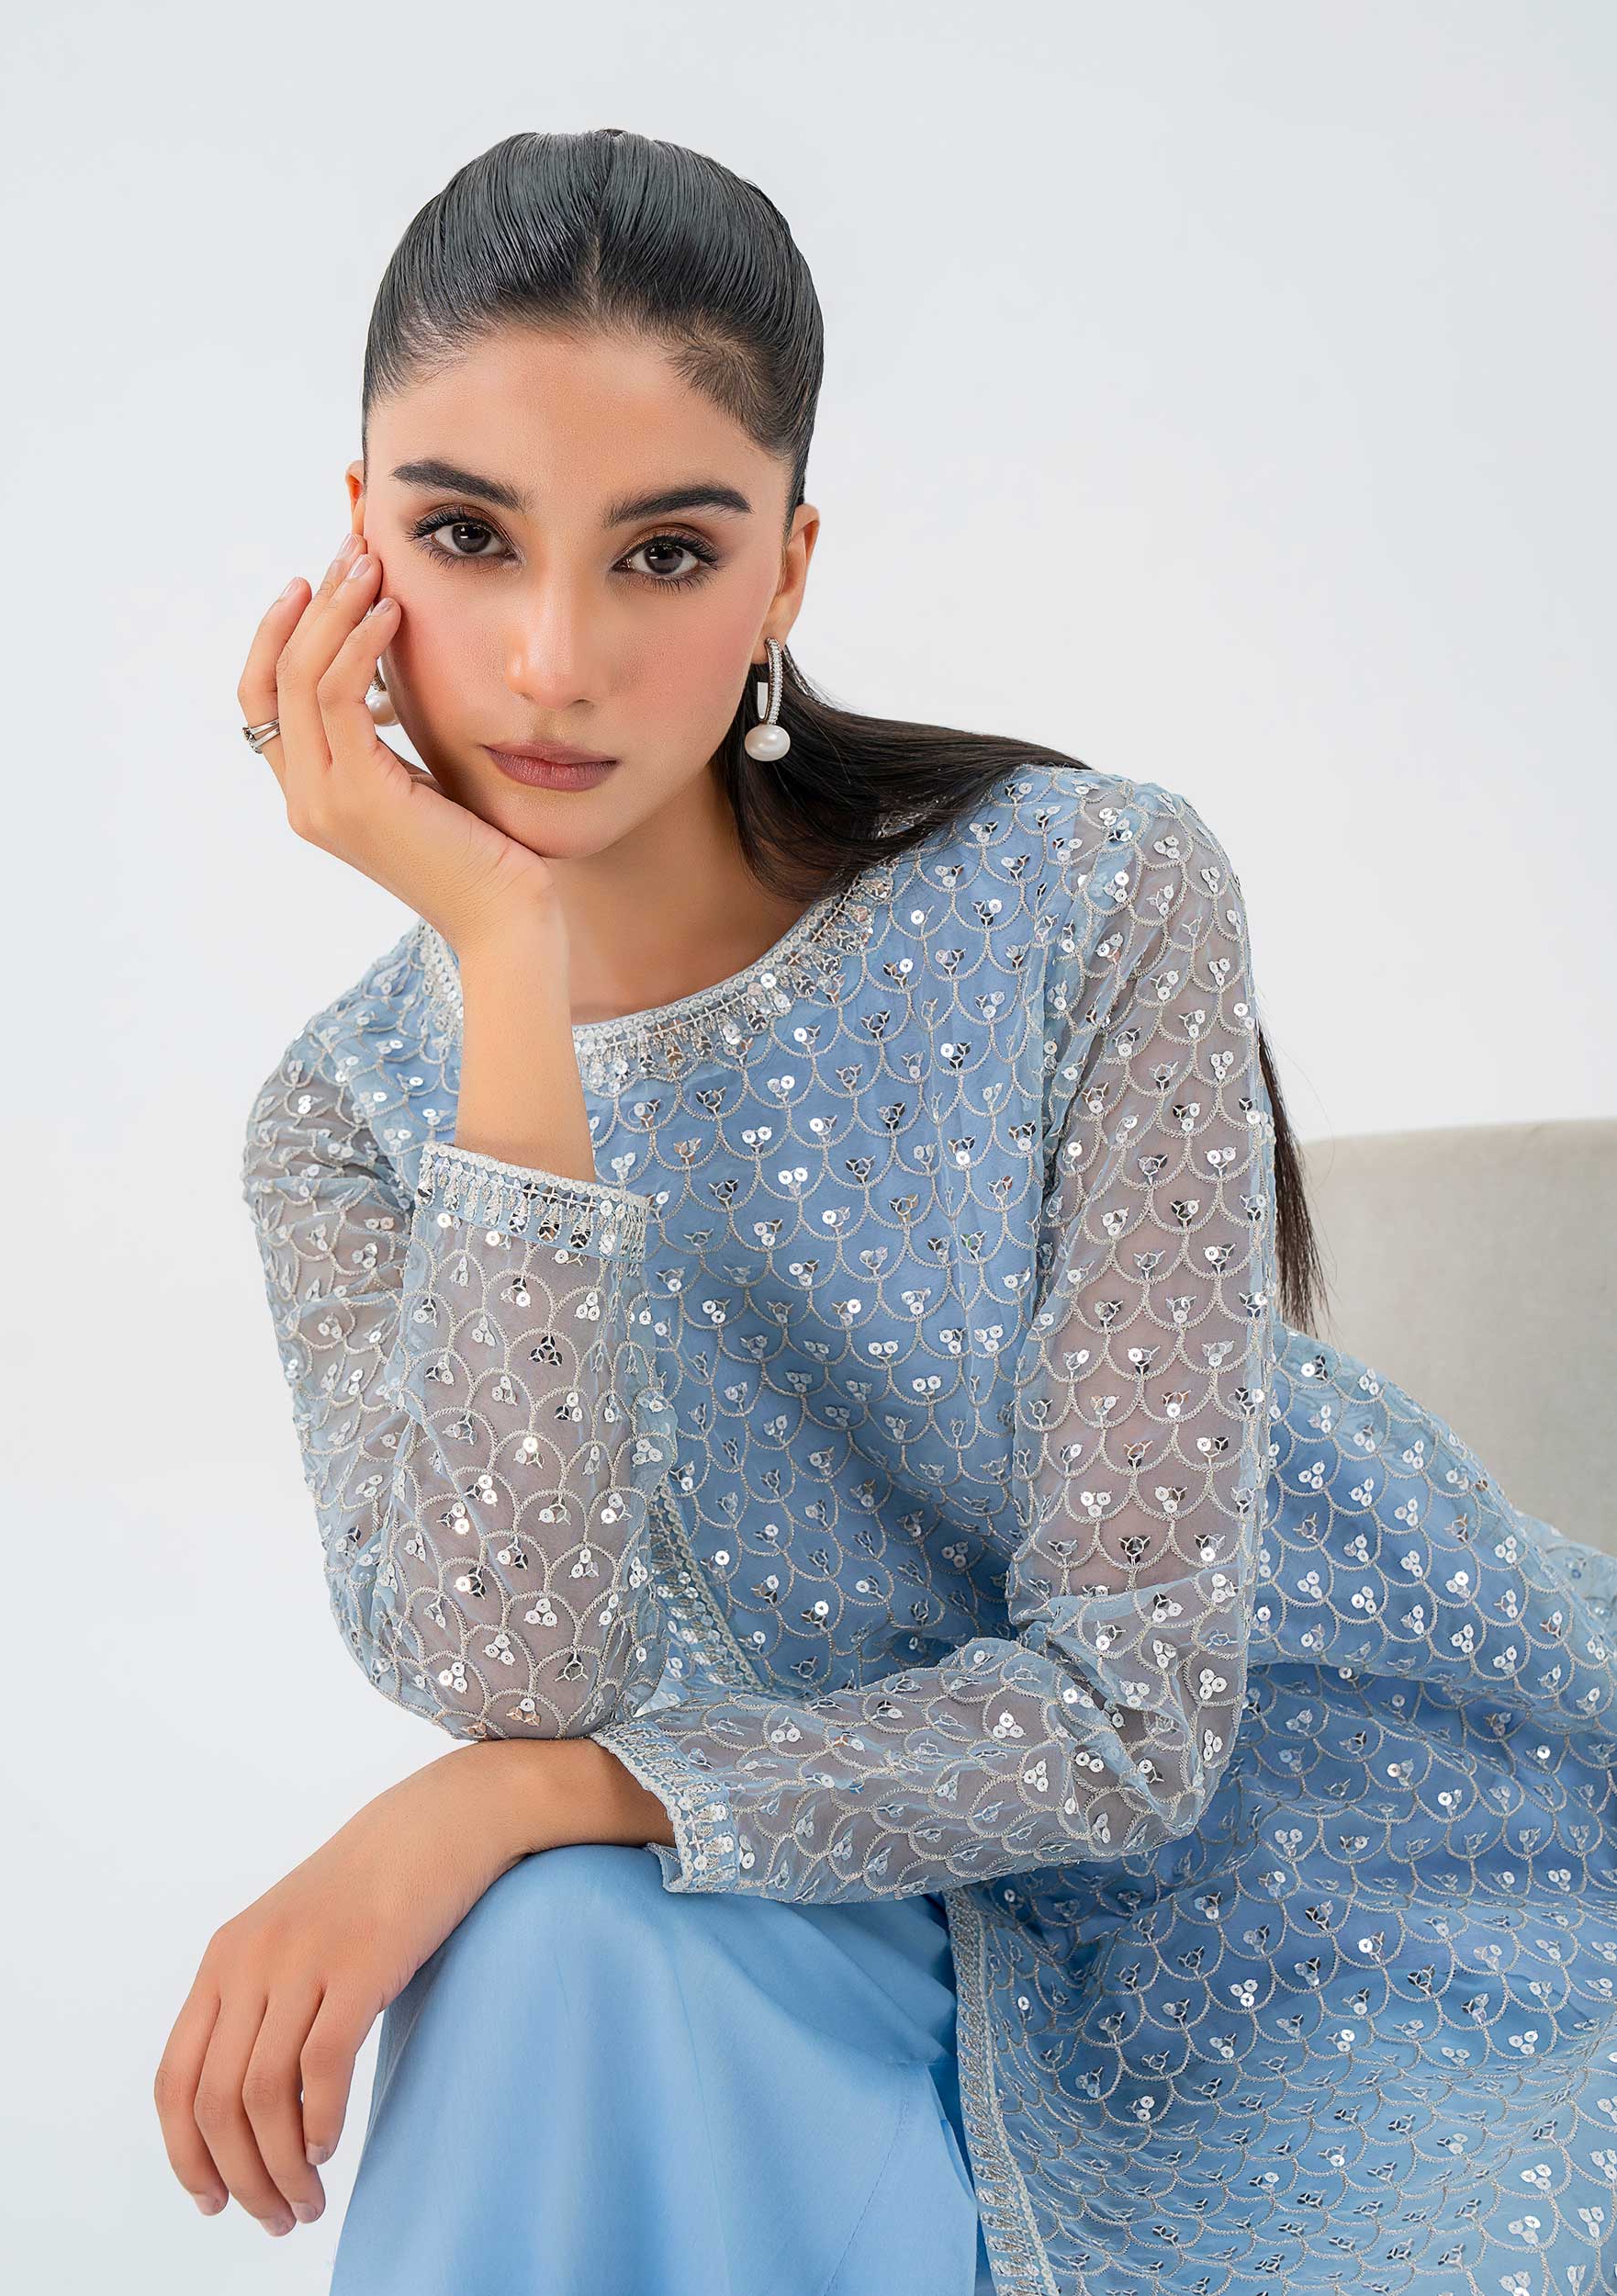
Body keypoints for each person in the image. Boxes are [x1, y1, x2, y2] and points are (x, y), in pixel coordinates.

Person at [153, 129, 1617, 2296]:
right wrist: (505, 963)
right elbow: (519, 1672)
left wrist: (508, 1797)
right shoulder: (346, 1120)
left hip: (1327, 1858)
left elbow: (1131, 1714)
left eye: (664, 553)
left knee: (533, 1875)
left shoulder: (1088, 897)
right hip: (829, 1905)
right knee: (544, 1950)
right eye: (466, 535)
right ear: (357, 541)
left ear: (785, 575)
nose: (551, 654)